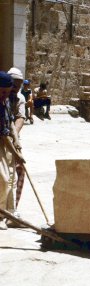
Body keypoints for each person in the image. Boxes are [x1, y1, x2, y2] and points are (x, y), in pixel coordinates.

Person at [0, 71, 25, 230]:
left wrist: (16, 139)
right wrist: (17, 154)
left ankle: (8, 213)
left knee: (11, 179)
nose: (6, 95)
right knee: (2, 178)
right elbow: (3, 135)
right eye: (3, 92)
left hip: (6, 142)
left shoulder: (5, 101)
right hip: (2, 142)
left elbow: (10, 124)